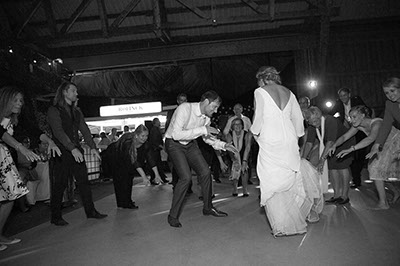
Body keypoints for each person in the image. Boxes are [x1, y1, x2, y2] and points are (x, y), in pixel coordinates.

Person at [251, 66, 312, 237]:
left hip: (271, 138)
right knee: (288, 176)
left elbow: (259, 116)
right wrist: (298, 137)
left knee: (272, 179)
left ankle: (281, 225)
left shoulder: (260, 91)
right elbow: (298, 120)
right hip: (289, 139)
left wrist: (254, 133)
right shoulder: (290, 93)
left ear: (263, 79)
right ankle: (291, 220)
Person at [164, 90, 237, 228]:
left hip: (190, 144)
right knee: (185, 178)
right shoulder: (184, 108)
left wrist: (224, 145)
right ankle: (172, 216)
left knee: (205, 172)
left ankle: (208, 208)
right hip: (173, 144)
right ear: (205, 102)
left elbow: (207, 138)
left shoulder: (206, 118)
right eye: (214, 107)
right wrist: (203, 130)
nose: (215, 111)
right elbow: (176, 134)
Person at [0, 86, 57, 251]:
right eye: (15, 100)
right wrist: (20, 148)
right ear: (5, 100)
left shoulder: (14, 119)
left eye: (21, 100)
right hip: (3, 156)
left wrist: (50, 141)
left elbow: (33, 130)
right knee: (9, 196)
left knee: (10, 196)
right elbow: (1, 133)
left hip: (4, 158)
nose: (19, 103)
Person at [47, 81, 107, 226]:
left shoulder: (76, 111)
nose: (76, 93)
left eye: (76, 91)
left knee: (84, 182)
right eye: (73, 91)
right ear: (64, 92)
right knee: (60, 184)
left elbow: (85, 130)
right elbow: (58, 132)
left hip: (75, 150)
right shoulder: (54, 110)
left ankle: (90, 211)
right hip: (61, 152)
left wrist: (92, 147)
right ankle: (56, 217)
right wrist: (71, 148)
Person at [327, 105, 400, 209]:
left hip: (396, 142)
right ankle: (393, 194)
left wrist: (351, 149)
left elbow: (371, 138)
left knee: (375, 168)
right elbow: (344, 137)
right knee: (378, 170)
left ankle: (383, 203)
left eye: (354, 117)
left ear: (363, 115)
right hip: (383, 146)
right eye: (350, 117)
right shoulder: (357, 126)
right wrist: (334, 144)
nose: (351, 120)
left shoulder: (376, 122)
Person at [303, 106, 355, 205]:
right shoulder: (312, 125)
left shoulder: (330, 120)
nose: (314, 124)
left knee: (342, 167)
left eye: (316, 121)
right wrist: (303, 159)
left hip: (343, 143)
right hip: (330, 145)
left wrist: (321, 160)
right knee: (332, 168)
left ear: (320, 116)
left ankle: (344, 196)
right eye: (311, 122)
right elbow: (309, 142)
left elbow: (330, 141)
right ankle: (336, 196)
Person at [105, 125, 163, 209]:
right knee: (120, 178)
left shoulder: (145, 145)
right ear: (136, 135)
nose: (145, 138)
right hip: (114, 155)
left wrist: (157, 175)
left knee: (129, 176)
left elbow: (151, 159)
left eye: (146, 136)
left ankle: (126, 201)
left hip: (126, 158)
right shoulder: (128, 142)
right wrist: (144, 177)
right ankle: (123, 203)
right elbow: (134, 161)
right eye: (142, 136)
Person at [367, 77, 400, 203]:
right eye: (387, 93)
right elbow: (386, 124)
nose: (390, 95)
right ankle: (383, 202)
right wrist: (377, 144)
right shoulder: (390, 104)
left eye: (393, 91)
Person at [329, 88, 368, 189]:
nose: (343, 98)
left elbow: (367, 110)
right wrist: (334, 144)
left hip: (364, 132)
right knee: (353, 157)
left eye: (345, 95)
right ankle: (356, 179)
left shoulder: (356, 100)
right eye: (341, 96)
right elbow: (330, 115)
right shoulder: (338, 104)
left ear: (349, 95)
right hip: (349, 129)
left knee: (361, 156)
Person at [226, 118, 252, 196]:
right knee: (234, 170)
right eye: (235, 124)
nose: (238, 126)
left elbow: (248, 147)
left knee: (245, 170)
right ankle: (235, 189)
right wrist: (234, 160)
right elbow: (229, 148)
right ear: (232, 126)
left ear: (242, 125)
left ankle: (245, 190)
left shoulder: (247, 134)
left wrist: (244, 161)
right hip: (233, 155)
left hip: (244, 153)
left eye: (239, 124)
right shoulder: (229, 135)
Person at [149, 118, 168, 184]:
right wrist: (161, 146)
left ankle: (155, 178)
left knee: (156, 164)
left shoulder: (154, 130)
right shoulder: (155, 130)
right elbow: (155, 141)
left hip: (155, 149)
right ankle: (160, 177)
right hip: (155, 150)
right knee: (157, 164)